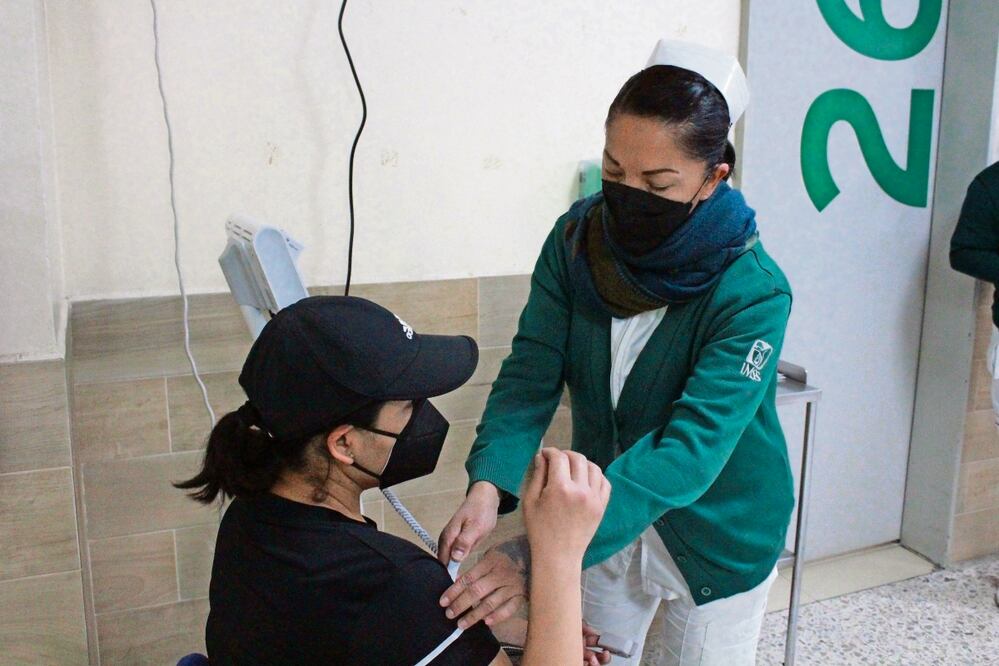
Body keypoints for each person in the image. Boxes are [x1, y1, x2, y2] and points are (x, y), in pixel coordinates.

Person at [437, 41, 794, 665]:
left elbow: (690, 451)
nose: (628, 195)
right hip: (598, 518)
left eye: (658, 183)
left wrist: (536, 554)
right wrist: (489, 483)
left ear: (713, 178)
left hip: (717, 531)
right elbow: (531, 372)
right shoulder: (577, 240)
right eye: (614, 171)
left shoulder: (753, 290)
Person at [175, 295, 612, 665]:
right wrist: (558, 554)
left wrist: (540, 643)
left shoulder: (249, 519)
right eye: (409, 405)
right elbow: (393, 616)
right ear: (344, 444)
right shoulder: (393, 582)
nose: (425, 415)